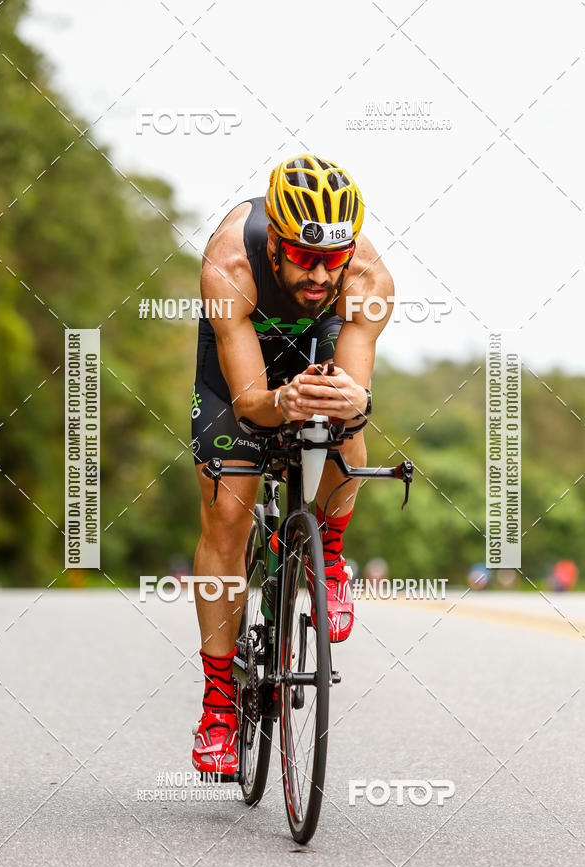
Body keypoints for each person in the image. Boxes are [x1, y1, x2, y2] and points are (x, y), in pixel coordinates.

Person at [191, 155, 394, 774]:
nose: (318, 272)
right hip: (244, 357)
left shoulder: (367, 280)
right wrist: (279, 400)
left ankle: (328, 552)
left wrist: (345, 402)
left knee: (344, 421)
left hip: (322, 338)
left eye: (332, 257)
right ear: (275, 243)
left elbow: (353, 393)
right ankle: (220, 702)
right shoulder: (230, 265)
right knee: (228, 514)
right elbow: (252, 402)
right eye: (304, 257)